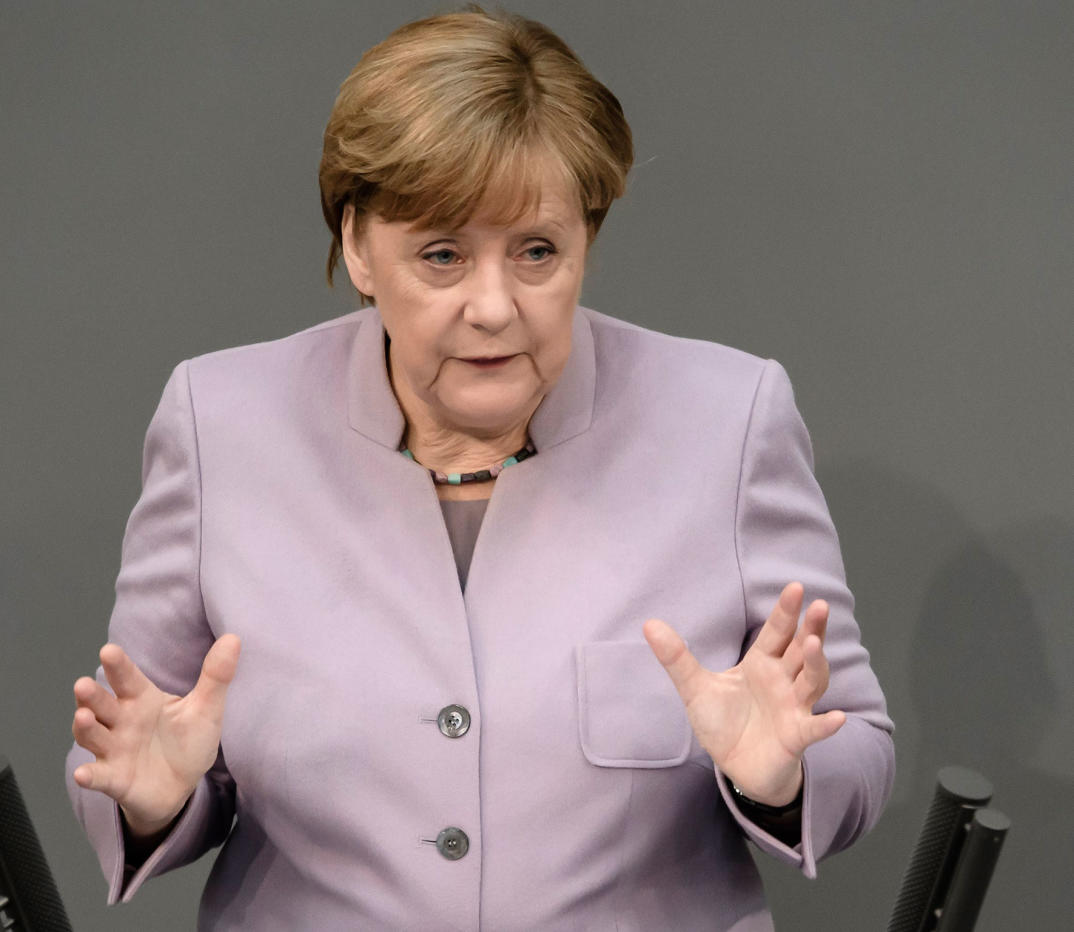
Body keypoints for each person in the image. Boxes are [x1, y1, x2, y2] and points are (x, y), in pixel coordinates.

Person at [66, 7, 894, 930]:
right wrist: (153, 801)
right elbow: (132, 749)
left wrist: (783, 778)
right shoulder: (220, 423)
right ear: (357, 245)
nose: (493, 306)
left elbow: (854, 744)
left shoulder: (730, 419)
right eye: (443, 255)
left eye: (537, 252)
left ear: (587, 241)